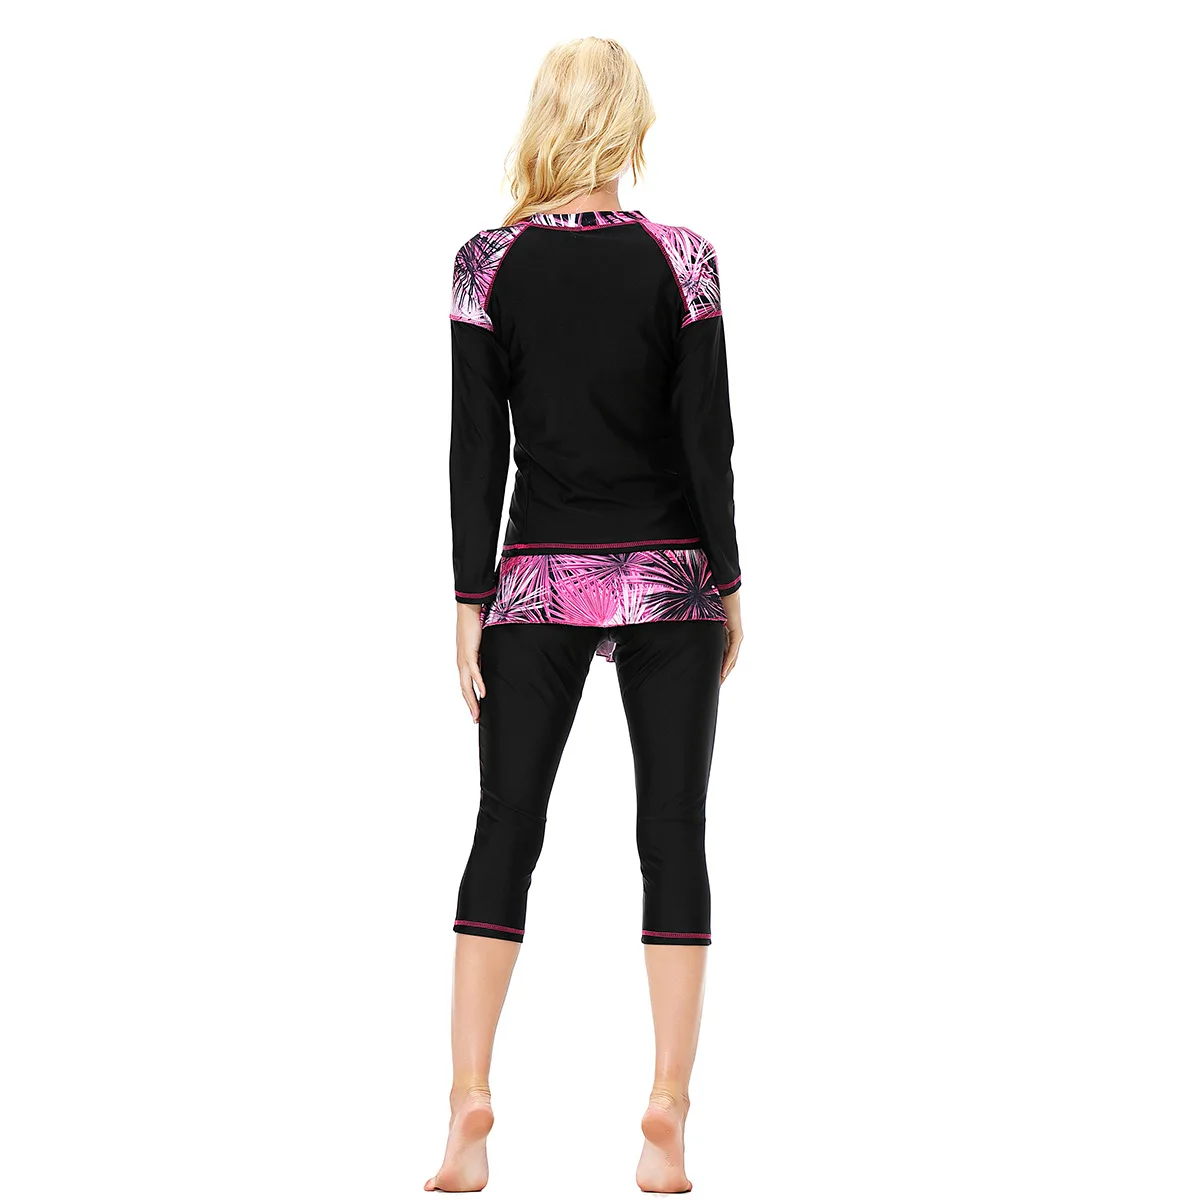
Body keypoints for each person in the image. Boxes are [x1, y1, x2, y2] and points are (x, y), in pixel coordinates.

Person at [428, 37, 743, 1194]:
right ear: (632, 124)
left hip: (536, 583)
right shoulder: (684, 259)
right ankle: (668, 1107)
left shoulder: (486, 264)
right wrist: (728, 581)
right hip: (669, 577)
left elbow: (476, 449)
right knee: (674, 834)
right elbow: (706, 438)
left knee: (505, 828)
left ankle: (469, 1098)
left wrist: (471, 600)